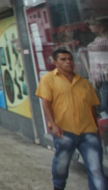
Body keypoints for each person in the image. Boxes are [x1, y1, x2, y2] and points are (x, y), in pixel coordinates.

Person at [36, 48, 106, 190]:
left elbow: (92, 107)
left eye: (70, 59)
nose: (68, 62)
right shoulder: (48, 79)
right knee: (61, 167)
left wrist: (97, 131)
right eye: (63, 59)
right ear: (55, 62)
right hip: (64, 131)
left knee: (96, 169)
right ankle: (58, 187)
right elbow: (46, 103)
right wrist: (53, 125)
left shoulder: (84, 83)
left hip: (88, 131)